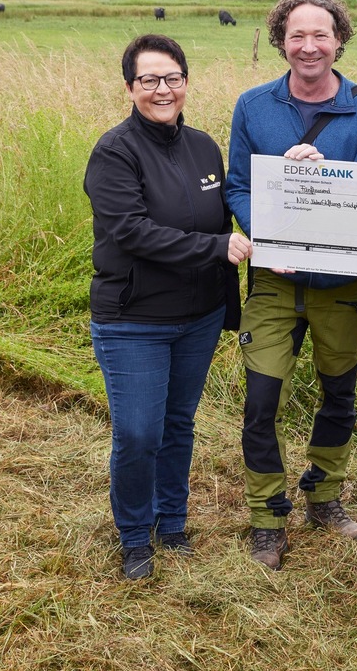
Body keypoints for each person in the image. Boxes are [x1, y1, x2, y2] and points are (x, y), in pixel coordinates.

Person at [225, 0, 357, 570]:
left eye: (321, 34)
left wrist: (330, 175)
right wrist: (267, 228)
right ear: (281, 41)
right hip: (274, 277)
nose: (309, 45)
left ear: (340, 40)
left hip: (342, 281)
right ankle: (267, 517)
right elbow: (237, 186)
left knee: (338, 395)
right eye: (297, 34)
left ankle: (323, 492)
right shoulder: (253, 106)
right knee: (261, 399)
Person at [85, 34, 253, 579]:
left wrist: (297, 175)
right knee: (138, 433)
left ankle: (171, 520)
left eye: (173, 78)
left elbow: (228, 211)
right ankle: (135, 536)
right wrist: (215, 249)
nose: (163, 89)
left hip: (198, 316)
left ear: (186, 81)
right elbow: (132, 232)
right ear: (131, 87)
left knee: (178, 423)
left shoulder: (204, 146)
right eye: (150, 80)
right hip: (134, 319)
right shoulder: (114, 152)